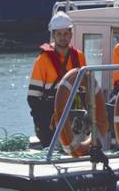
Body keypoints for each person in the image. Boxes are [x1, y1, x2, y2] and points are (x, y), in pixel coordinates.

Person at [27, 11, 87, 147]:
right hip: (49, 116)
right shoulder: (42, 60)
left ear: (71, 34)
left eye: (66, 33)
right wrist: (45, 123)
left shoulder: (79, 57)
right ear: (53, 35)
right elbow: (33, 98)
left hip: (74, 112)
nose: (62, 37)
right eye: (59, 34)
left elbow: (86, 88)